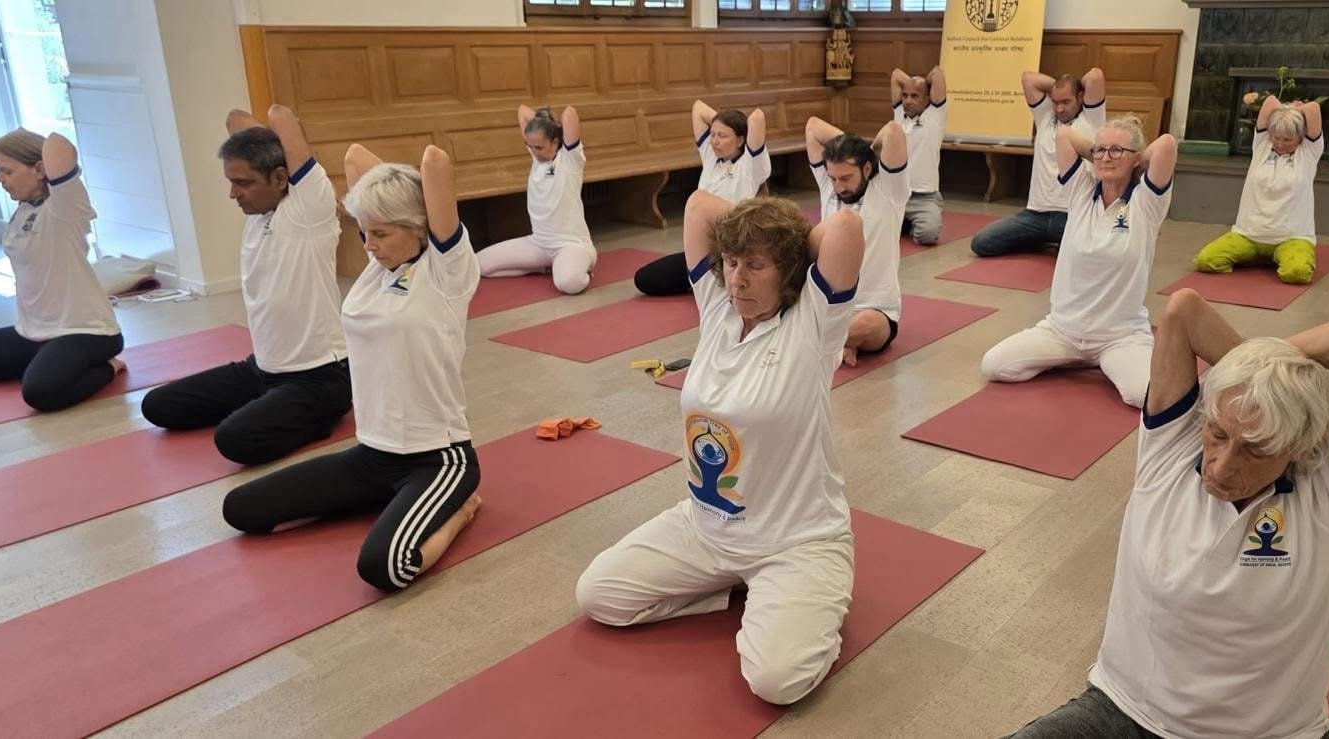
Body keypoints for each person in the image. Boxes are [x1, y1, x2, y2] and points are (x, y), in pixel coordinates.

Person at [1009, 288, 1329, 739]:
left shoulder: (1324, 490)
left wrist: (1273, 378)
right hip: (1126, 713)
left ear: (1297, 449)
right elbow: (1184, 310)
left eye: (1256, 449)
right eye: (1218, 434)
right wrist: (1257, 374)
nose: (1223, 465)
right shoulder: (1168, 451)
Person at [576, 191, 866, 706]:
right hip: (707, 528)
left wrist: (787, 243)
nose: (737, 279)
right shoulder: (716, 308)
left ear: (791, 272)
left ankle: (800, 597)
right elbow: (698, 208)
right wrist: (747, 238)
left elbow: (843, 227)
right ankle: (732, 588)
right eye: (731, 263)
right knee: (600, 597)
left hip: (796, 539)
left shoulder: (813, 326)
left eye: (756, 266)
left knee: (777, 683)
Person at [221, 143, 482, 593]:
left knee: (386, 568)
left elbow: (437, 161)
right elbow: (356, 157)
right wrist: (380, 201)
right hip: (371, 455)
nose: (368, 245)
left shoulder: (446, 273)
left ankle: (458, 512)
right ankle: (389, 499)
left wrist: (408, 197)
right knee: (242, 510)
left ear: (419, 228)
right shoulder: (376, 269)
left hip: (437, 460)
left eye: (380, 233)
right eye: (363, 231)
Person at [141, 106, 352, 465]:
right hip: (261, 370)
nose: (232, 193)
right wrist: (259, 151)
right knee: (158, 406)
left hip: (318, 378)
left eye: (243, 183)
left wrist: (276, 138)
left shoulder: (308, 212)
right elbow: (236, 118)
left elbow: (281, 116)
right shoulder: (257, 214)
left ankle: (323, 415)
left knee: (234, 440)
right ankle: (272, 406)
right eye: (231, 181)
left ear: (282, 178)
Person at [980, 116, 1175, 408]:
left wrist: (1132, 157)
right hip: (1063, 331)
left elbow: (1167, 145)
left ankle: (1106, 360)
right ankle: (1078, 359)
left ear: (1137, 159)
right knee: (995, 366)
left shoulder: (1146, 202)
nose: (1105, 157)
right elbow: (1065, 135)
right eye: (1099, 150)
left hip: (1119, 336)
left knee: (1142, 395)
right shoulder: (1081, 191)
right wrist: (1105, 153)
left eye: (1116, 151)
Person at [0, 128, 124, 412]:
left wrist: (25, 139)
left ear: (40, 169)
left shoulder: (64, 208)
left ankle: (109, 367)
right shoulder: (24, 211)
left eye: (6, 171)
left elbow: (58, 145)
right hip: (31, 332)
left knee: (40, 393)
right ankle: (49, 361)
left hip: (86, 332)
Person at [634, 101, 770, 296]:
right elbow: (698, 108)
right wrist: (722, 124)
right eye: (712, 135)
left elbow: (757, 117)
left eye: (722, 136)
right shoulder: (711, 157)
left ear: (741, 140)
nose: (714, 141)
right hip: (702, 249)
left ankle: (721, 277)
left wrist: (733, 123)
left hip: (731, 250)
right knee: (645, 279)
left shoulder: (752, 164)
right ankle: (703, 279)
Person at [970, 67, 1106, 257]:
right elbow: (1028, 78)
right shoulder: (1045, 117)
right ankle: (1042, 239)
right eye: (1055, 101)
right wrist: (1059, 87)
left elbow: (1095, 76)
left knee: (1087, 254)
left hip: (1072, 215)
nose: (1059, 108)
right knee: (982, 243)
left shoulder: (1092, 117)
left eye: (1066, 101)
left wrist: (1071, 83)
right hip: (1035, 214)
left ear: (1081, 97)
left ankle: (1058, 242)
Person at [806, 115, 908, 366]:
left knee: (865, 326)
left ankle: (833, 343)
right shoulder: (829, 183)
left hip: (874, 310)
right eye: (833, 178)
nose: (839, 187)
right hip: (827, 307)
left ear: (867, 168)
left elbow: (894, 130)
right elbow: (812, 127)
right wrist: (850, 147)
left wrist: (867, 150)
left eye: (846, 178)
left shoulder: (889, 189)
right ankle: (840, 345)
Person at [1193, 97, 1325, 284]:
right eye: (1276, 137)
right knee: (1206, 260)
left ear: (1300, 138)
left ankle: (1276, 256)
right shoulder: (1262, 145)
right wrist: (1283, 111)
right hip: (1248, 234)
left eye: (1287, 139)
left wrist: (1295, 109)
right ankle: (1255, 256)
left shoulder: (1308, 153)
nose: (1279, 143)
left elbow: (1314, 108)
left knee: (1297, 273)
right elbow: (1270, 102)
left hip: (1291, 237)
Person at [477, 105, 595, 294]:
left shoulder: (570, 160)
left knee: (569, 283)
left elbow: (569, 113)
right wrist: (541, 122)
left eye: (539, 147)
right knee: (480, 265)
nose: (534, 151)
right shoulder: (537, 158)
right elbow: (522, 110)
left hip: (571, 244)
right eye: (530, 146)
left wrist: (551, 123)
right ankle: (544, 267)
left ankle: (582, 263)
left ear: (555, 142)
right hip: (538, 244)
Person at [890, 65, 948, 245]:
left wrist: (920, 85)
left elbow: (937, 73)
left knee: (927, 236)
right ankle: (904, 222)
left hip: (924, 197)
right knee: (871, 226)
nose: (908, 100)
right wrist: (914, 85)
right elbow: (896, 74)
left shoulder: (935, 116)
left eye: (915, 96)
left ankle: (908, 222)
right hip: (896, 194)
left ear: (927, 98)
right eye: (905, 95)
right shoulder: (899, 113)